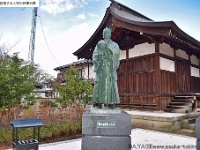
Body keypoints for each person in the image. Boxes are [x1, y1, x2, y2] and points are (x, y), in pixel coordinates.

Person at [92, 27, 120, 109]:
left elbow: (116, 54)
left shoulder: (115, 45)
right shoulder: (99, 44)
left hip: (110, 68)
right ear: (103, 35)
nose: (106, 34)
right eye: (104, 33)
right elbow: (94, 55)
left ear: (110, 34)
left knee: (111, 85)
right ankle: (99, 103)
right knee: (99, 85)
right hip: (101, 68)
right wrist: (99, 57)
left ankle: (111, 103)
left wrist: (109, 50)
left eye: (107, 33)